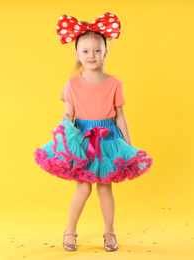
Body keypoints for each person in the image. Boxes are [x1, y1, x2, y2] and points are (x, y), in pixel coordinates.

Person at [33, 12, 153, 252]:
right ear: (77, 53)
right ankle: (70, 230)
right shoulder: (73, 84)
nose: (91, 56)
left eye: (97, 50)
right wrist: (64, 125)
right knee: (83, 187)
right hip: (82, 137)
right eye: (86, 51)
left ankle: (109, 232)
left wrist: (128, 145)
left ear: (105, 52)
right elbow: (68, 113)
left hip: (108, 139)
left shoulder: (114, 84)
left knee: (105, 187)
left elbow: (119, 116)